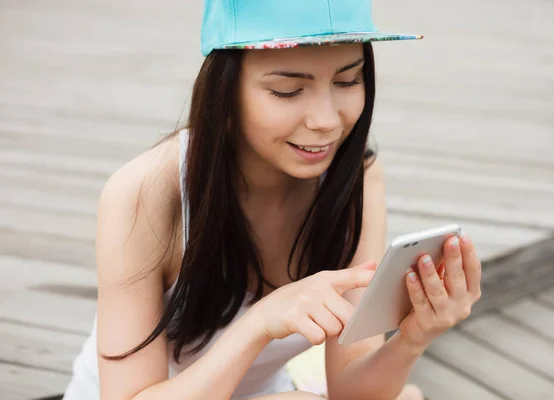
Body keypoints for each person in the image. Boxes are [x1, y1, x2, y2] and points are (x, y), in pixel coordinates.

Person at [62, 0, 482, 399]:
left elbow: (352, 392)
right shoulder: (143, 194)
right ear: (223, 92)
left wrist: (412, 338)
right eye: (287, 90)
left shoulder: (357, 179)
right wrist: (259, 323)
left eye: (348, 80)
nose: (325, 120)